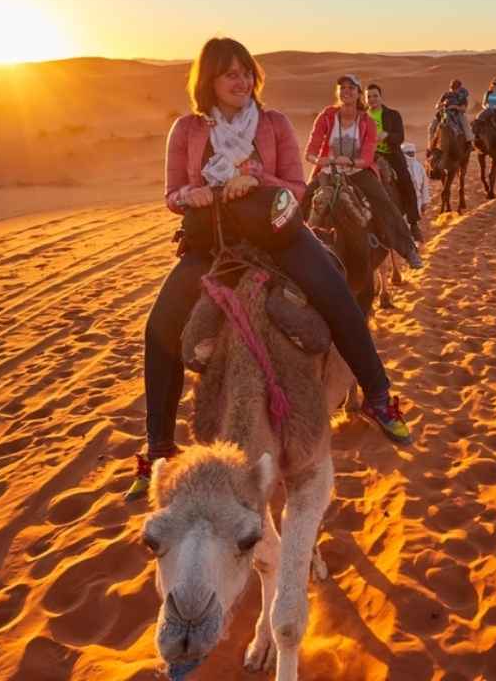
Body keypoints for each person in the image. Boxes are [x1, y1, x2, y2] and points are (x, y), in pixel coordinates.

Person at [128, 39, 412, 500]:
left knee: (336, 292)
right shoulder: (186, 130)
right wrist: (190, 196)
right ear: (209, 83)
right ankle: (158, 446)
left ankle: (379, 396)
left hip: (279, 235)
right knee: (158, 328)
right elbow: (171, 194)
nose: (240, 82)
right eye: (229, 75)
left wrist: (255, 178)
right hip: (211, 243)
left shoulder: (274, 123)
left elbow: (297, 188)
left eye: (245, 72)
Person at [308, 75, 422, 266]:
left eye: (351, 88)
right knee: (301, 200)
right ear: (337, 92)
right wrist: (320, 159)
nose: (346, 91)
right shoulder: (326, 116)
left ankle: (408, 249)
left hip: (358, 171)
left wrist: (351, 162)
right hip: (328, 171)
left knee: (384, 202)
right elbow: (310, 150)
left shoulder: (366, 121)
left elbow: (368, 156)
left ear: (358, 93)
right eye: (342, 88)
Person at [364, 83, 423, 243]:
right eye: (369, 96)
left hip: (391, 155)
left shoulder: (392, 115)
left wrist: (387, 135)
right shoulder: (362, 116)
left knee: (406, 182)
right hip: (369, 156)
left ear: (381, 97)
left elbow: (400, 137)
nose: (372, 99)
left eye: (375, 96)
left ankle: (413, 223)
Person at [428, 78, 473, 148]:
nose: (453, 90)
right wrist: (443, 103)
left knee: (465, 124)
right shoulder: (445, 94)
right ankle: (430, 146)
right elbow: (437, 106)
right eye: (452, 88)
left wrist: (454, 106)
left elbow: (464, 109)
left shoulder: (462, 97)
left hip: (457, 114)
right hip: (444, 113)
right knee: (431, 128)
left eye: (455, 88)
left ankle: (469, 142)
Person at [402, 141, 431, 214]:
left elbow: (425, 186)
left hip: (418, 200)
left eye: (412, 152)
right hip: (404, 200)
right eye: (408, 153)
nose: (411, 155)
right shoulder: (400, 168)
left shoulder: (419, 167)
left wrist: (424, 202)